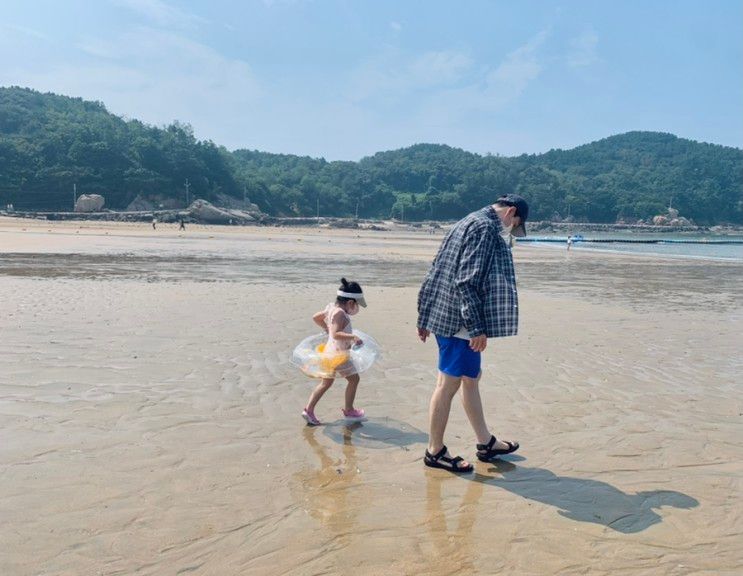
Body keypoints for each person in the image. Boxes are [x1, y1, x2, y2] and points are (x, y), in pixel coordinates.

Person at [417, 194, 529, 473]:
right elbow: (466, 280)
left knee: (470, 379)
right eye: (514, 224)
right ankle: (435, 451)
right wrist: (477, 327)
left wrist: (424, 312)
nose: (510, 230)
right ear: (511, 212)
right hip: (460, 322)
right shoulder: (484, 228)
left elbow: (437, 267)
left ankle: (485, 442)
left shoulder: (468, 220)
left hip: (446, 314)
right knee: (448, 384)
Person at [302, 278, 368, 426]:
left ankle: (309, 410)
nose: (357, 309)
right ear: (350, 303)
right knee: (354, 379)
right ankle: (349, 410)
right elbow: (336, 333)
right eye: (356, 305)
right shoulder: (340, 314)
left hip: (329, 353)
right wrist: (353, 337)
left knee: (326, 383)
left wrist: (326, 327)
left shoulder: (331, 309)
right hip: (339, 356)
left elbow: (316, 318)